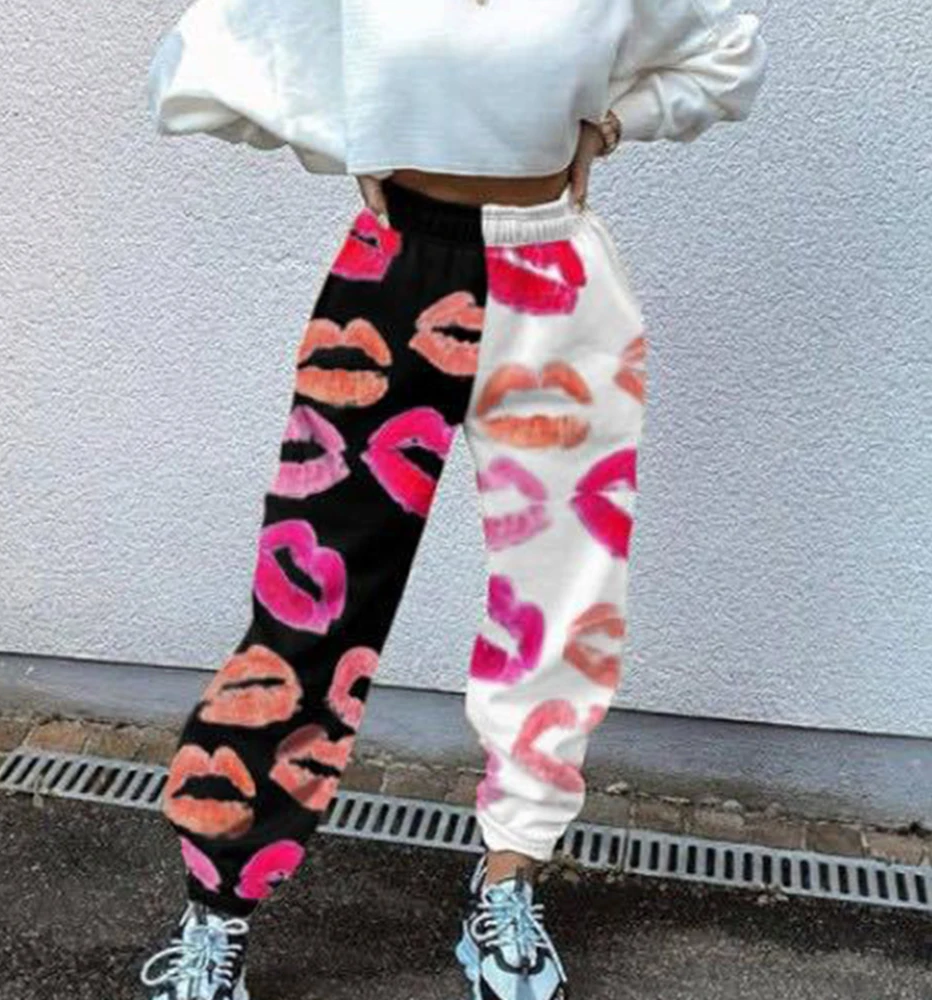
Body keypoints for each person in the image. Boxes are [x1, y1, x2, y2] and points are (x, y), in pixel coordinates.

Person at [139, 2, 767, 998]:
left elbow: (727, 56)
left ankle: (509, 875)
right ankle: (216, 902)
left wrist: (613, 123)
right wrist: (345, 132)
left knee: (561, 601)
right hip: (390, 279)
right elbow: (200, 65)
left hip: (559, 288)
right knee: (314, 598)